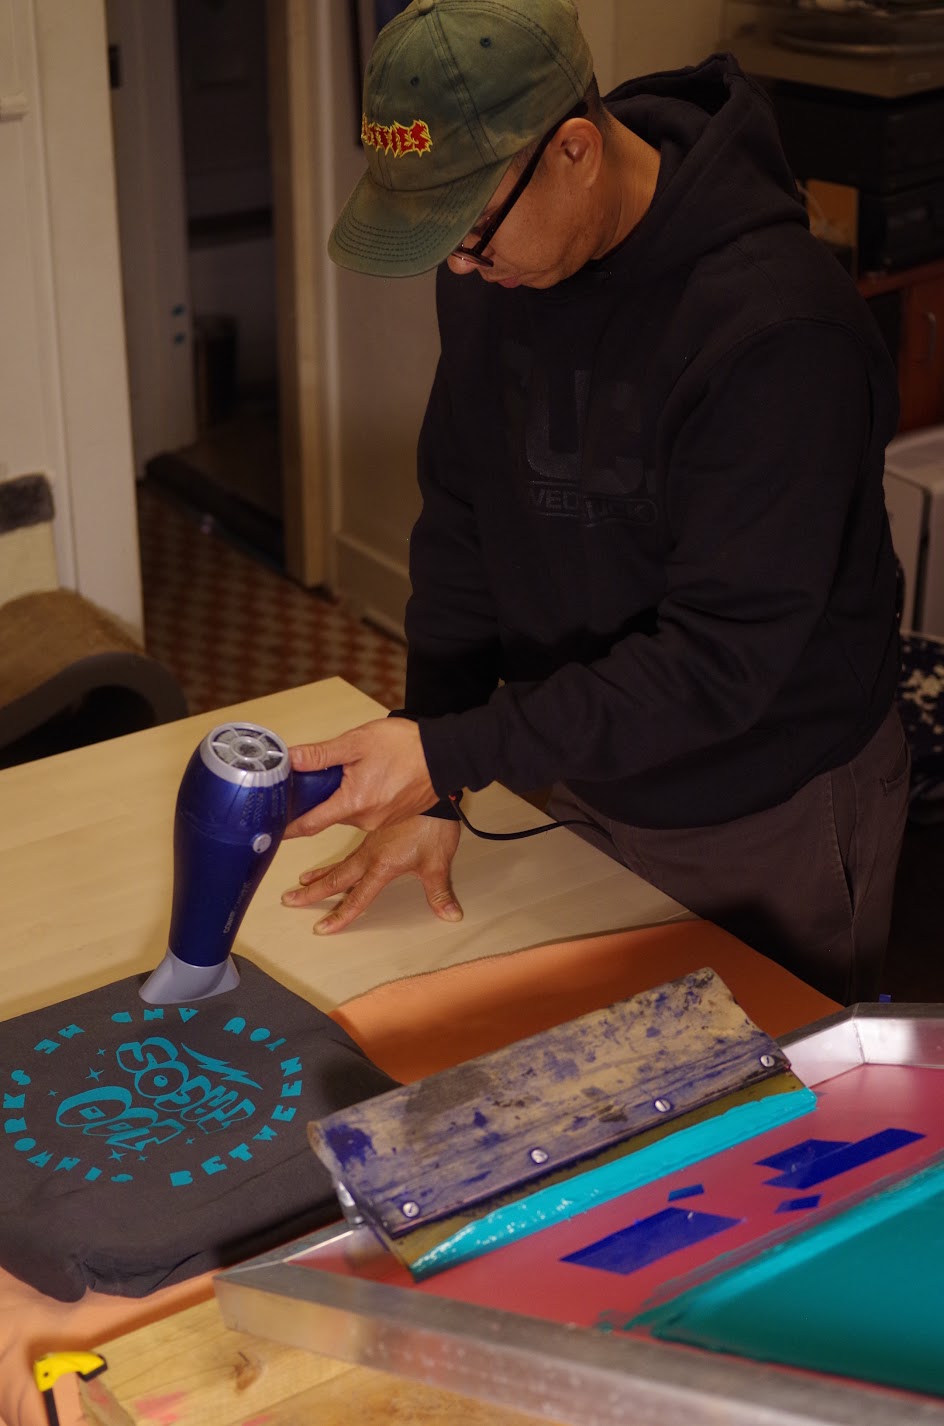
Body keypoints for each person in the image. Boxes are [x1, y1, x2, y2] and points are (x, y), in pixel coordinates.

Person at [280, 0, 910, 1005]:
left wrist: (454, 749)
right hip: (584, 763)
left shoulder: (779, 333)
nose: (458, 265)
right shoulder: (498, 274)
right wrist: (435, 772)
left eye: (470, 228)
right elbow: (463, 522)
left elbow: (723, 661)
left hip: (766, 797)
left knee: (769, 1077)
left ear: (573, 150)